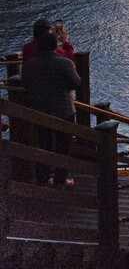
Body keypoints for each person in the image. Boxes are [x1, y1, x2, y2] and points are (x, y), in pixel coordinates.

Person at [21, 32, 82, 187]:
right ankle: (60, 181)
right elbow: (76, 84)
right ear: (55, 46)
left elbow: (26, 84)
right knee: (63, 148)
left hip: (40, 111)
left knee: (44, 146)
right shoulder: (65, 63)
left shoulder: (28, 66)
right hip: (64, 111)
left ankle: (43, 179)